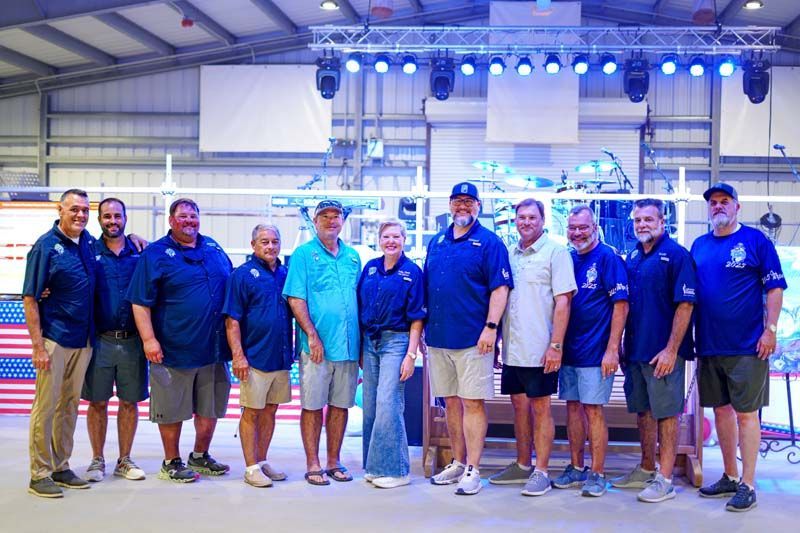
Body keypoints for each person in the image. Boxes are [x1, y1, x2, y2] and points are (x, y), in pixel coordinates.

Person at [691, 183, 786, 512]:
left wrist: (770, 330)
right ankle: (730, 476)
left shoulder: (756, 241)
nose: (718, 206)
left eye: (724, 201)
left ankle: (748, 484)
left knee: (746, 414)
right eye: (713, 203)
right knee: (721, 411)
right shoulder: (699, 245)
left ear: (737, 207)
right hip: (709, 345)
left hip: (747, 346)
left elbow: (774, 288)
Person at [127, 198, 233, 483]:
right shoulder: (156, 254)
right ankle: (171, 462)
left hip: (214, 348)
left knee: (210, 407)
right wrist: (149, 339)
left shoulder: (213, 247)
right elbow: (140, 301)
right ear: (171, 220)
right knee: (171, 409)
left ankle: (200, 455)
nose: (189, 221)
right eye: (183, 216)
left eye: (193, 216)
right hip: (174, 348)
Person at [425, 182, 513, 495]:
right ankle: (458, 462)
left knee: (472, 403)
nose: (462, 206)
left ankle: (474, 469)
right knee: (450, 403)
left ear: (478, 206)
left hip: (474, 340)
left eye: (469, 201)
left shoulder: (490, 243)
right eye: (457, 201)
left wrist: (491, 327)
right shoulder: (437, 241)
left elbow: (500, 289)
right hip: (438, 338)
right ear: (450, 205)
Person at [488, 198, 576, 497]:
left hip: (541, 349)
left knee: (540, 408)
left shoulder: (556, 252)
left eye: (532, 217)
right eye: (521, 217)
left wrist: (556, 346)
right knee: (519, 407)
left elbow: (564, 302)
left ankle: (542, 471)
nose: (526, 222)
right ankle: (523, 464)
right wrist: (498, 341)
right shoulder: (510, 254)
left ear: (542, 220)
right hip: (513, 348)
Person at [612, 199, 696, 503]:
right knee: (644, 412)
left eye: (648, 219)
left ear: (662, 222)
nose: (642, 225)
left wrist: (671, 350)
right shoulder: (634, 256)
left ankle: (666, 479)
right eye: (637, 220)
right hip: (636, 351)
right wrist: (622, 345)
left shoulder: (677, 255)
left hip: (663, 353)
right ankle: (647, 468)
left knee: (667, 414)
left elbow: (685, 305)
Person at [23, 189, 96, 498]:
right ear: (60, 210)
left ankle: (61, 466)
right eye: (74, 209)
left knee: (69, 406)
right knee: (46, 407)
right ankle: (39, 474)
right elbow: (30, 298)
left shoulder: (89, 242)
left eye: (85, 210)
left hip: (84, 339)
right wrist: (38, 347)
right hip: (55, 339)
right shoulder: (45, 247)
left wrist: (134, 237)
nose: (80, 215)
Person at [283, 200, 361, 486]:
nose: (331, 220)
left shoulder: (353, 257)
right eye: (324, 216)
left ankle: (333, 461)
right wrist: (312, 335)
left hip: (348, 347)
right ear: (315, 222)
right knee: (313, 406)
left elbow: (359, 299)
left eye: (335, 216)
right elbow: (295, 298)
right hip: (316, 348)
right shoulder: (303, 255)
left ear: (342, 221)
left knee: (340, 406)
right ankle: (313, 463)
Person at [552, 204, 628, 498]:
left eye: (583, 227)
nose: (577, 233)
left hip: (596, 352)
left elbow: (621, 305)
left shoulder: (608, 258)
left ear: (595, 228)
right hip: (569, 351)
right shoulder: (568, 258)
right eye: (572, 228)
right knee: (572, 408)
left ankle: (597, 472)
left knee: (593, 410)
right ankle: (576, 467)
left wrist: (612, 349)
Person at [82, 198, 148, 483]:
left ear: (125, 218)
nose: (112, 221)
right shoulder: (87, 251)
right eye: (107, 216)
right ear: (99, 220)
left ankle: (124, 459)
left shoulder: (141, 253)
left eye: (117, 216)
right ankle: (97, 459)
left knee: (129, 402)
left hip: (133, 341)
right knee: (97, 402)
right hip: (100, 341)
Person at [223, 224, 293, 488]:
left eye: (275, 241)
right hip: (254, 357)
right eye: (264, 241)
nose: (270, 246)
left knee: (270, 410)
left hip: (280, 357)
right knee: (252, 412)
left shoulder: (286, 274)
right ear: (253, 245)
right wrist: (238, 356)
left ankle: (262, 461)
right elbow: (232, 320)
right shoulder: (242, 275)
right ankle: (251, 467)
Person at [358, 219, 425, 489]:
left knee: (389, 402)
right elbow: (361, 306)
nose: (391, 241)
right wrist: (361, 348)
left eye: (396, 236)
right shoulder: (370, 268)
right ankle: (374, 466)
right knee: (371, 406)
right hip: (370, 342)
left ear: (404, 240)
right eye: (386, 236)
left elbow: (417, 317)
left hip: (396, 342)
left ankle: (397, 470)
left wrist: (411, 355)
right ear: (379, 240)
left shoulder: (412, 272)